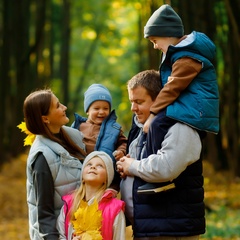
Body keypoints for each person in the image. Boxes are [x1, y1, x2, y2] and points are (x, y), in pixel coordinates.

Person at [117, 70, 205, 239]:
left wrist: (132, 166)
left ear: (159, 100)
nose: (133, 108)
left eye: (139, 102)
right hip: (149, 225)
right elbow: (139, 164)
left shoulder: (179, 126)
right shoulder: (141, 127)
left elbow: (166, 167)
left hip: (172, 229)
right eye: (131, 102)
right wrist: (125, 166)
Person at [143, 4, 219, 136]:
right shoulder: (180, 55)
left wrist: (152, 113)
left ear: (166, 34)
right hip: (188, 107)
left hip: (195, 111)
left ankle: (152, 156)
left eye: (155, 41)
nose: (155, 46)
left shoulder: (187, 58)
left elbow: (172, 87)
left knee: (156, 124)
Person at [23, 89, 86, 240]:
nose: (64, 107)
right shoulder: (42, 158)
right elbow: (44, 215)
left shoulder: (74, 138)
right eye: (58, 106)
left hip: (79, 230)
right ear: (45, 119)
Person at [57, 151, 126, 240]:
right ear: (82, 176)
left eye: (100, 165)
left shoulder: (114, 209)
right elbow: (60, 236)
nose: (93, 167)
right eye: (89, 164)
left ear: (107, 178)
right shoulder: (69, 204)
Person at [71, 83, 127, 190]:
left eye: (105, 108)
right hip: (81, 175)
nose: (101, 112)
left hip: (105, 178)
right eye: (96, 108)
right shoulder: (77, 127)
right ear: (87, 110)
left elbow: (123, 142)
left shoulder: (114, 129)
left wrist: (121, 151)